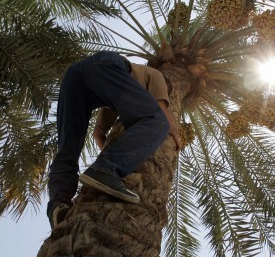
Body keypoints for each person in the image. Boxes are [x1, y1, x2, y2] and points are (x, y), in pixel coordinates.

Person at [47, 50, 181, 229]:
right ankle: (107, 169)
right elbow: (160, 110)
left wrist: (108, 156)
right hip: (108, 64)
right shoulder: (157, 76)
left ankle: (58, 204)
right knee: (158, 123)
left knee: (68, 149)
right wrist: (176, 136)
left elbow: (98, 133)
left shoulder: (115, 92)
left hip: (74, 76)